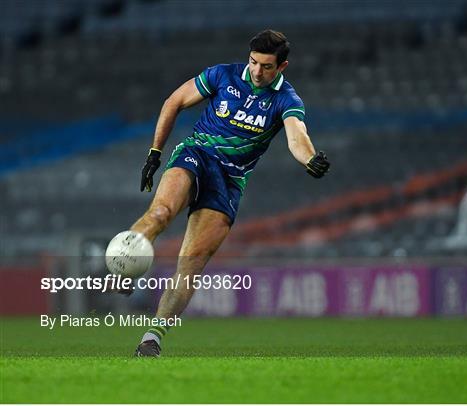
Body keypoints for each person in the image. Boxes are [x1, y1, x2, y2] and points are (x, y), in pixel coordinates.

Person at [128, 29, 329, 356]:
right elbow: (174, 101)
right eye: (253, 62)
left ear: (282, 67)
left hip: (230, 181)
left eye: (266, 66)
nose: (257, 71)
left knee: (191, 263)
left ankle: (152, 338)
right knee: (161, 213)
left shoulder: (286, 100)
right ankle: (123, 267)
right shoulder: (222, 75)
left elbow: (297, 137)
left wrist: (310, 158)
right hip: (197, 155)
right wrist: (154, 153)